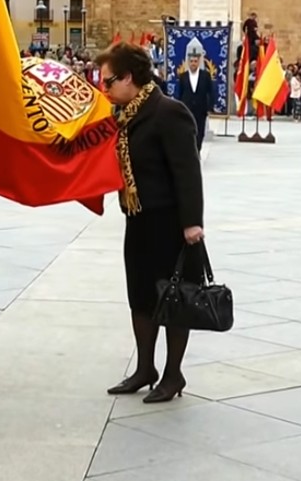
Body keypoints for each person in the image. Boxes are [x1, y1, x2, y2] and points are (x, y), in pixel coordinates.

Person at [97, 42, 205, 404]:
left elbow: (188, 172)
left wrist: (192, 223)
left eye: (109, 82)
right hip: (139, 220)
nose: (105, 90)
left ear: (129, 78)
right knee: (140, 298)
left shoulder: (168, 112)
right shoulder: (122, 116)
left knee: (173, 299)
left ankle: (173, 374)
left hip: (171, 225)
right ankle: (146, 368)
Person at [175, 38, 214, 151]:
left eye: (195, 61)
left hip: (200, 109)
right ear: (188, 62)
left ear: (199, 62)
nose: (193, 64)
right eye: (191, 61)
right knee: (187, 130)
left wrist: (209, 107)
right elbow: (180, 93)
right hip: (187, 108)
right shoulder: (183, 77)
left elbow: (210, 92)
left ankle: (198, 150)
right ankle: (189, 151)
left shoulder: (205, 76)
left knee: (199, 132)